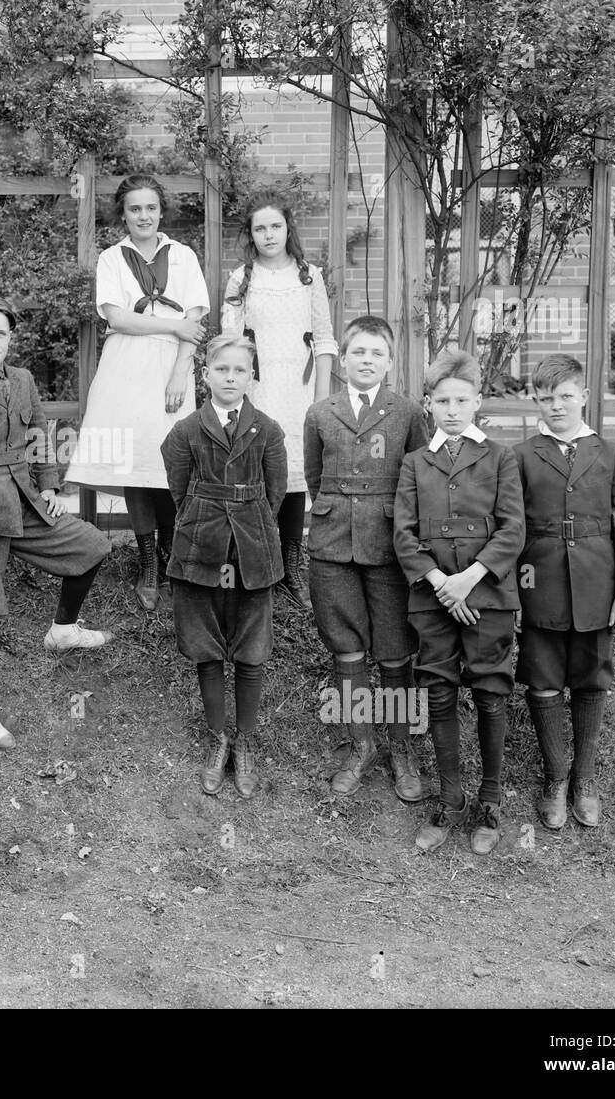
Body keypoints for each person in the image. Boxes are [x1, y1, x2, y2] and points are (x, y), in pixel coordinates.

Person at [0, 295, 113, 749]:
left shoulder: (23, 378)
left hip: (25, 498)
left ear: (11, 338)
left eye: (1, 334)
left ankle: (63, 629)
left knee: (91, 546)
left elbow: (38, 435)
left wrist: (49, 486)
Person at [394, 349, 525, 855]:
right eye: (442, 400)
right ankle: (450, 799)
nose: (452, 409)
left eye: (462, 399)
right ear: (428, 404)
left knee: (491, 689)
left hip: (486, 594)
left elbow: (513, 528)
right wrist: (440, 584)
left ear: (477, 401)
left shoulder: (499, 457)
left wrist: (468, 579)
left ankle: (490, 801)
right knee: (438, 689)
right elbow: (404, 535)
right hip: (432, 598)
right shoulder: (414, 463)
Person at [65, 174, 209, 611]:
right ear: (123, 214)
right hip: (125, 366)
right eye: (134, 209)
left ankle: (168, 560)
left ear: (161, 211)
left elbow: (196, 321)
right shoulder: (112, 257)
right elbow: (118, 317)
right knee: (135, 464)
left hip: (171, 368)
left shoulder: (183, 257)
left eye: (150, 207)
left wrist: (180, 374)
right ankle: (147, 563)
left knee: (168, 464)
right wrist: (174, 323)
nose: (143, 216)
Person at [304, 315, 431, 801]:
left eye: (377, 353)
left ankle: (401, 748)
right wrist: (336, 512)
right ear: (343, 360)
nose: (366, 361)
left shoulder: (408, 412)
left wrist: (405, 528)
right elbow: (316, 476)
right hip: (333, 542)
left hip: (388, 543)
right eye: (358, 352)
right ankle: (361, 745)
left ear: (390, 361)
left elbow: (417, 473)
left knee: (396, 647)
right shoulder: (320, 412)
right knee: (346, 644)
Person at [513, 353, 615, 830]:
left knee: (591, 677)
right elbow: (512, 527)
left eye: (565, 396)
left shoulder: (610, 455)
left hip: (596, 584)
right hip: (539, 582)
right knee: (543, 676)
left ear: (584, 396)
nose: (556, 406)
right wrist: (513, 592)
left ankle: (584, 778)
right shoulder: (522, 455)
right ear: (537, 403)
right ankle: (555, 778)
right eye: (546, 398)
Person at [161, 334, 287, 799]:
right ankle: (220, 739)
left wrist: (249, 526)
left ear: (251, 376)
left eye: (240, 370)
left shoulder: (268, 429)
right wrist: (202, 522)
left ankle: (246, 741)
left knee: (251, 644)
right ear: (205, 375)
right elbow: (178, 488)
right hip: (200, 546)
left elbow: (275, 494)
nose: (230, 377)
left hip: (253, 547)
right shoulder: (187, 430)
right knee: (206, 643)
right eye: (222, 370)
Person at [222, 188, 336, 608]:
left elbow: (323, 339)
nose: (269, 234)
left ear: (288, 228)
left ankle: (291, 564)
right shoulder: (241, 278)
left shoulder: (310, 276)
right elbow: (232, 343)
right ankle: (256, 562)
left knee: (294, 476)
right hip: (259, 389)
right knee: (257, 472)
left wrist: (321, 402)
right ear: (250, 235)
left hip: (300, 390)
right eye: (259, 228)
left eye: (275, 225)